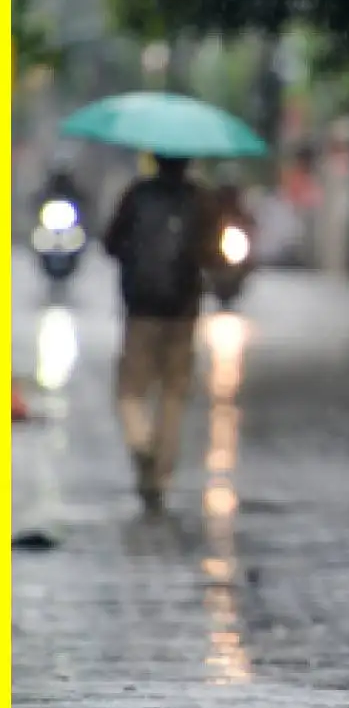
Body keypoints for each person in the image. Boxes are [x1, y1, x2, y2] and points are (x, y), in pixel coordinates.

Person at [102, 155, 220, 515]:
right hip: (183, 312)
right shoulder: (201, 200)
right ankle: (160, 476)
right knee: (173, 392)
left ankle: (140, 441)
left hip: (140, 308)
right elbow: (213, 253)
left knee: (130, 391)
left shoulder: (136, 195)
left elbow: (110, 243)